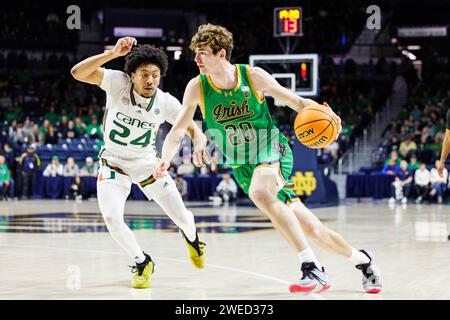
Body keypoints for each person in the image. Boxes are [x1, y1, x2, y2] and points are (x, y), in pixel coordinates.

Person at [154, 24, 381, 294]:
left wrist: (327, 115)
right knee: (315, 230)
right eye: (196, 54)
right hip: (243, 165)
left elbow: (297, 102)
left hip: (273, 148)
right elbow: (179, 129)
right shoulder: (197, 87)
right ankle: (364, 262)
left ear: (221, 54)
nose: (197, 59)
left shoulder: (253, 76)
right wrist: (165, 160)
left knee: (260, 193)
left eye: (202, 53)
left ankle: (311, 267)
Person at [71, 36, 208, 289]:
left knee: (183, 219)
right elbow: (78, 72)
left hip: (148, 165)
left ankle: (193, 240)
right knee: (112, 218)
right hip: (114, 163)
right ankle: (142, 261)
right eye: (144, 74)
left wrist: (199, 139)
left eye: (155, 75)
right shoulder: (117, 83)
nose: (150, 80)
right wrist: (112, 54)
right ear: (132, 75)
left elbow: (190, 127)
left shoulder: (165, 102)